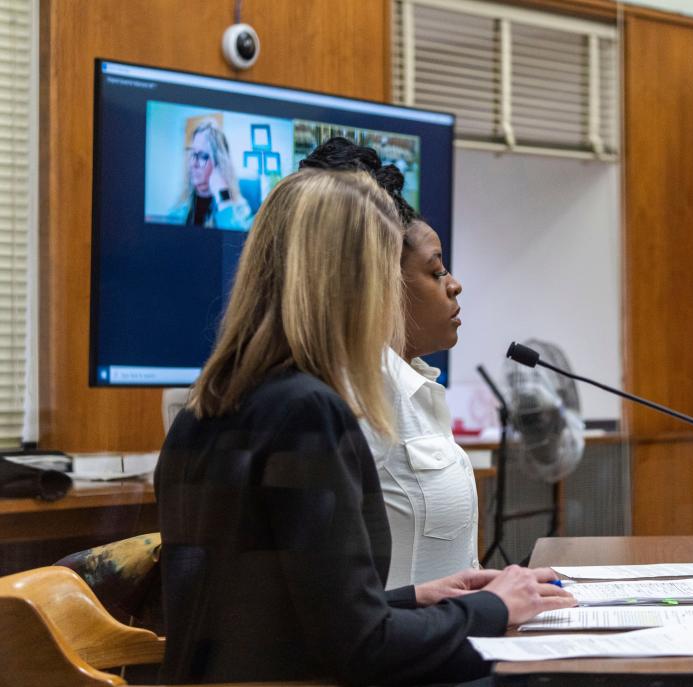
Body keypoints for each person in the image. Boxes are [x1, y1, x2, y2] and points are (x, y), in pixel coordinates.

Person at [155, 168, 573, 685]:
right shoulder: (308, 413)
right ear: (352, 284)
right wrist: (491, 608)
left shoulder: (206, 407)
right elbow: (360, 650)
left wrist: (418, 596)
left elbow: (281, 616)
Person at [300, 138, 476, 589]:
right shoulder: (355, 390)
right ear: (378, 280)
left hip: (452, 636)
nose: (454, 286)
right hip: (404, 650)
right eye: (436, 272)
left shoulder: (415, 384)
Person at [168, 119, 252, 230]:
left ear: (219, 164)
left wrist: (224, 200)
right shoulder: (180, 208)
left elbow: (237, 244)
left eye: (202, 156)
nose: (193, 163)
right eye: (193, 154)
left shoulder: (240, 208)